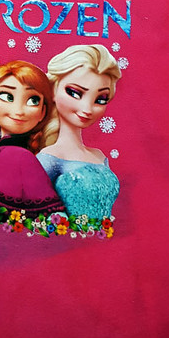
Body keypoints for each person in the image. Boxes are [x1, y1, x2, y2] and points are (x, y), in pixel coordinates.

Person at [0, 60, 65, 220]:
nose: (19, 111)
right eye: (7, 96)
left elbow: (55, 219)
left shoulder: (21, 156)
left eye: (33, 100)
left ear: (42, 112)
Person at [37, 45, 121, 221]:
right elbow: (34, 211)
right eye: (74, 93)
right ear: (53, 90)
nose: (87, 109)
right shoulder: (49, 158)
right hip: (70, 237)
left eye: (100, 99)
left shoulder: (100, 157)